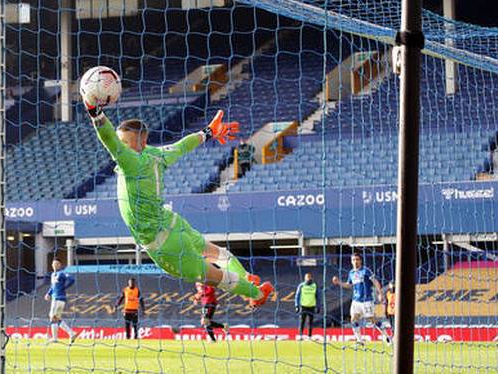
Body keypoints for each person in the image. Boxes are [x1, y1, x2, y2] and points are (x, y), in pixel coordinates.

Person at [88, 101, 272, 307]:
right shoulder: (157, 155)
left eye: (125, 142)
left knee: (215, 278)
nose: (121, 146)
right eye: (121, 142)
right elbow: (183, 145)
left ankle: (256, 294)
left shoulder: (131, 162)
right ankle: (246, 277)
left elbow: (108, 138)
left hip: (163, 244)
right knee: (218, 254)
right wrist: (208, 132)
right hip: (172, 223)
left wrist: (95, 111)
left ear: (142, 142)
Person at [332, 253, 389, 344]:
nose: (355, 261)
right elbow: (349, 285)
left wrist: (380, 293)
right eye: (354, 260)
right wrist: (338, 282)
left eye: (357, 259)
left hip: (367, 300)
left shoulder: (366, 270)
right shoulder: (351, 273)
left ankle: (386, 336)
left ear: (361, 261)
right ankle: (359, 340)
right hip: (356, 301)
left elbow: (375, 282)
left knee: (371, 319)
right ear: (351, 261)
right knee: (354, 319)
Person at [44, 258, 77, 343]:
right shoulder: (53, 274)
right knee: (56, 318)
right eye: (53, 264)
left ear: (59, 265)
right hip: (58, 298)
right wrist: (48, 293)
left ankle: (55, 338)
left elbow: (72, 279)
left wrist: (64, 286)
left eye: (56, 264)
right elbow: (53, 286)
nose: (54, 265)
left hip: (58, 298)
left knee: (52, 316)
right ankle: (71, 333)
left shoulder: (61, 273)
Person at [294, 272, 318, 339]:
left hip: (312, 306)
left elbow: (318, 296)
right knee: (302, 321)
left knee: (310, 322)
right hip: (303, 306)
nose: (308, 278)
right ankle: (300, 335)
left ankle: (310, 336)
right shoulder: (301, 285)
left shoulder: (314, 286)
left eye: (309, 277)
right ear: (305, 278)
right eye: (307, 277)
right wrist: (296, 306)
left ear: (311, 278)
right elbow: (297, 296)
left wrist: (318, 306)